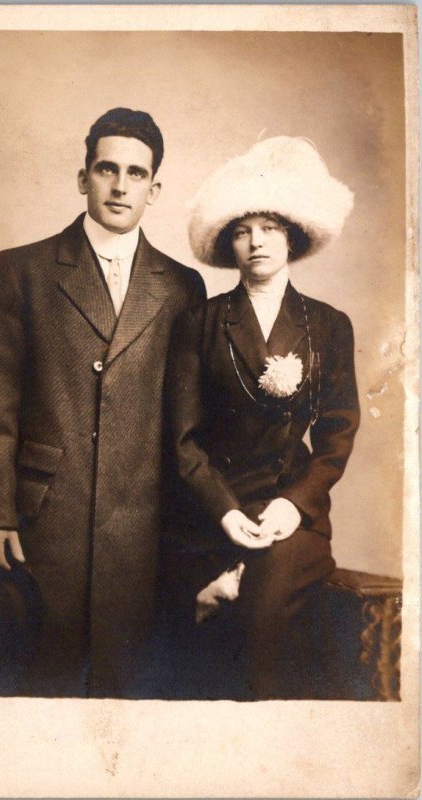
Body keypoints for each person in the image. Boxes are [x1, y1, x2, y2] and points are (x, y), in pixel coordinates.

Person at [0, 107, 206, 698]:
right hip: (42, 521)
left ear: (155, 188)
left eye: (136, 174)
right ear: (82, 177)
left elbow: (186, 420)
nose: (120, 186)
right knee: (37, 687)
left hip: (143, 525)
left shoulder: (181, 285)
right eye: (106, 169)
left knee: (127, 695)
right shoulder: (22, 270)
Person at [164, 136, 360, 700]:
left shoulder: (328, 324)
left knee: (264, 609)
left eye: (269, 227)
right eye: (243, 229)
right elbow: (183, 440)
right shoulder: (199, 323)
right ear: (229, 242)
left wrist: (294, 504)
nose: (257, 241)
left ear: (292, 236)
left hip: (289, 507)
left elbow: (336, 432)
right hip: (213, 508)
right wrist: (224, 511)